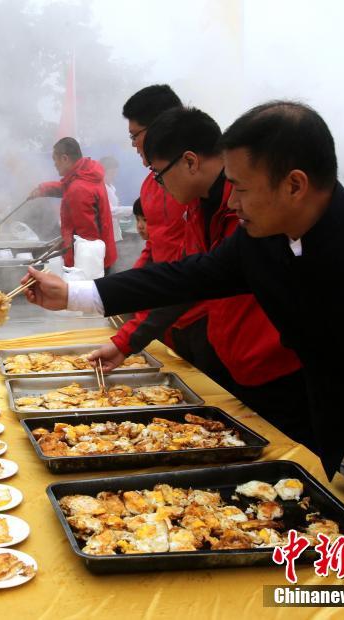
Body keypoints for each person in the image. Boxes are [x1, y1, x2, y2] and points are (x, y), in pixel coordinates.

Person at [21, 101, 344, 552]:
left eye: (240, 188)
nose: (233, 201)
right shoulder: (258, 243)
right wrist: (73, 294)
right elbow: (182, 277)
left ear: (295, 185)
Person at [104, 106, 311, 447]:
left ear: (190, 161)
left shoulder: (255, 216)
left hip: (278, 373)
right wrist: (124, 337)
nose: (235, 198)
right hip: (236, 364)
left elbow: (190, 279)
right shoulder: (199, 208)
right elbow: (184, 278)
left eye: (158, 174)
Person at [110, 84, 233, 388]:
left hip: (205, 317)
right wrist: (121, 294)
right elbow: (155, 250)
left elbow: (193, 268)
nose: (134, 145)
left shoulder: (194, 185)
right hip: (166, 314)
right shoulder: (156, 183)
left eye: (135, 135)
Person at [29, 137, 118, 271]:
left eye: (55, 160)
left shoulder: (79, 189)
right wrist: (43, 189)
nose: (54, 165)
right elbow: (68, 187)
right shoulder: (87, 173)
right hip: (104, 255)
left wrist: (67, 249)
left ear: (65, 158)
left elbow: (87, 239)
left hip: (91, 263)